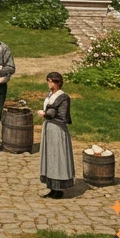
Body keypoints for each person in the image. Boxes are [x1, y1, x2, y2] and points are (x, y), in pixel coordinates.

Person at [36, 71, 75, 199]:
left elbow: (62, 116)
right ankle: (51, 187)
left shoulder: (63, 97)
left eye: (53, 81)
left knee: (58, 156)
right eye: (49, 81)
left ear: (59, 83)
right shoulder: (50, 95)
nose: (50, 83)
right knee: (49, 156)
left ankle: (59, 189)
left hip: (57, 130)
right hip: (48, 128)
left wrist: (46, 114)